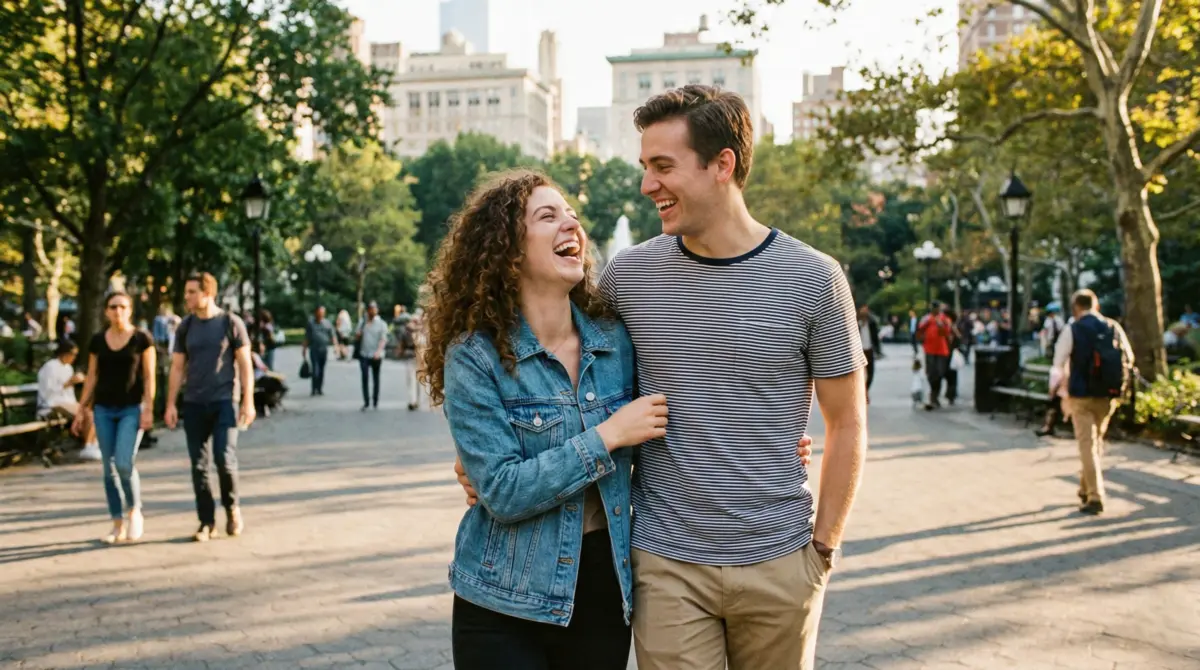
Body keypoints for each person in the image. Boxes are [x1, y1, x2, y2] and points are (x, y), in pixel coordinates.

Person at [425, 170, 654, 669]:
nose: (570, 224)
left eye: (571, 214)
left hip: (602, 592)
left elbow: (673, 422)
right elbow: (503, 492)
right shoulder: (475, 356)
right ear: (507, 249)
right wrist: (608, 436)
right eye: (547, 216)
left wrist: (769, 444)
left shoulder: (617, 342)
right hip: (501, 598)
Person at [164, 272, 255, 541]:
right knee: (199, 465)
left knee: (224, 459)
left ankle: (232, 508)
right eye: (187, 292)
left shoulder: (230, 323)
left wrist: (248, 400)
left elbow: (245, 364)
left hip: (224, 400)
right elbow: (177, 367)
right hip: (194, 402)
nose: (187, 297)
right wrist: (170, 404)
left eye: (192, 292)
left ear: (208, 293)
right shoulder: (186, 327)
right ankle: (206, 521)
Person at [73, 291, 155, 543]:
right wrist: (81, 408)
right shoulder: (98, 341)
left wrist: (149, 408)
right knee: (108, 469)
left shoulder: (142, 339)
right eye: (113, 307)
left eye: (122, 306)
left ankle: (135, 510)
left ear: (130, 310)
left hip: (131, 408)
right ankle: (117, 523)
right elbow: (92, 376)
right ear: (106, 311)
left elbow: (149, 376)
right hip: (103, 409)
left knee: (123, 462)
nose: (117, 311)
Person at [1051, 289, 1134, 515]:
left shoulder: (1073, 329)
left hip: (1081, 395)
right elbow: (1129, 357)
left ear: (1076, 307)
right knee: (1095, 443)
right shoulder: (1113, 327)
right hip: (1107, 394)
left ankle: (1095, 496)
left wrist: (1056, 390)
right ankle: (1085, 488)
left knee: (1087, 445)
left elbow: (1058, 363)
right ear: (1096, 305)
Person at [37, 340, 99, 460]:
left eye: (76, 354)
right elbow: (48, 391)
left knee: (90, 411)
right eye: (73, 354)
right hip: (51, 403)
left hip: (66, 401)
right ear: (63, 353)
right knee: (85, 414)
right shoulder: (50, 367)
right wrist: (69, 382)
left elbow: (69, 393)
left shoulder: (68, 368)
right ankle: (88, 445)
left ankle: (93, 443)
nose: (74, 357)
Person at [917, 302, 953, 410]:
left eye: (937, 308)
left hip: (941, 350)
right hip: (929, 349)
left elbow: (947, 332)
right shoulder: (926, 318)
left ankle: (935, 395)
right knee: (931, 373)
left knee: (940, 373)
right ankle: (933, 396)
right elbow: (920, 330)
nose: (935, 310)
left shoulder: (944, 319)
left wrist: (940, 325)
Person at [356, 301, 389, 411]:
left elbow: (383, 339)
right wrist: (359, 333)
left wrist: (378, 352)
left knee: (376, 378)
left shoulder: (381, 324)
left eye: (374, 309)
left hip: (376, 355)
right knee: (364, 377)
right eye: (370, 309)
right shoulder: (362, 322)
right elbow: (357, 336)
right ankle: (366, 401)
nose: (372, 311)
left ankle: (375, 400)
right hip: (364, 353)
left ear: (377, 310)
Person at [301, 306, 337, 396]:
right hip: (314, 350)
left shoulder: (327, 323)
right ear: (316, 313)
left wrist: (336, 346)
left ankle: (320, 388)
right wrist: (304, 349)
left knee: (321, 370)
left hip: (324, 350)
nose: (321, 315)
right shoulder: (311, 323)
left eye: (322, 313)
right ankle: (314, 388)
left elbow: (332, 335)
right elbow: (307, 337)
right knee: (315, 370)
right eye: (319, 313)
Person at [858, 305, 882, 403]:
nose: (865, 312)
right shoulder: (856, 323)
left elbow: (875, 338)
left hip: (870, 350)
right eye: (863, 310)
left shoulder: (872, 323)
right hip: (859, 352)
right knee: (859, 374)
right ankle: (863, 394)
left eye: (866, 310)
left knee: (871, 374)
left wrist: (878, 350)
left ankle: (865, 390)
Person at [406, 308, 428, 411]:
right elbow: (408, 343)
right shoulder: (409, 330)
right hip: (412, 357)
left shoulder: (425, 331)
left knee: (421, 381)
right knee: (411, 380)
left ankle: (418, 401)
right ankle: (412, 401)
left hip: (422, 360)